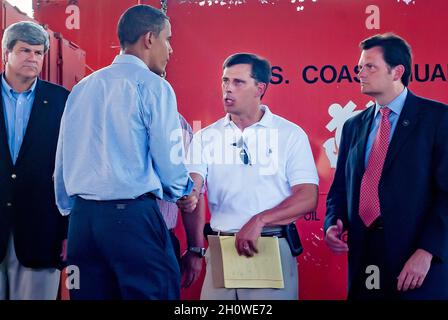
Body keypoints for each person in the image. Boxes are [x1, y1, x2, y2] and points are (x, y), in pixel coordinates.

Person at [54, 5, 198, 300]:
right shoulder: (155, 87)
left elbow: (61, 165)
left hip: (83, 223)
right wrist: (185, 191)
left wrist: (72, 211)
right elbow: (170, 167)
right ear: (149, 39)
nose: (169, 49)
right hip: (132, 221)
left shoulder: (82, 88)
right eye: (167, 39)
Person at [179, 53, 319, 300]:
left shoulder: (289, 134)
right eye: (224, 81)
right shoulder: (206, 137)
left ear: (260, 88)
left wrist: (260, 220)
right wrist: (190, 195)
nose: (227, 89)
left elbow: (308, 196)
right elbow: (195, 182)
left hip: (269, 247)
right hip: (222, 250)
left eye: (237, 82)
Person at [324, 33, 448, 300]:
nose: (360, 73)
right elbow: (340, 189)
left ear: (397, 72)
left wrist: (428, 250)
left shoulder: (437, 119)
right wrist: (333, 223)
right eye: (360, 67)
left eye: (370, 66)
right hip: (365, 256)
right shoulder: (353, 125)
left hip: (417, 261)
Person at [0, 21, 69, 300]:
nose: (32, 58)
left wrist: (67, 230)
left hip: (42, 233)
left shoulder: (61, 101)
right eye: (25, 50)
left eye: (38, 52)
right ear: (6, 53)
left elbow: (69, 169)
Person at [157, 112, 205, 289]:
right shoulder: (95, 108)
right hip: (101, 234)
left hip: (159, 239)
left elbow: (193, 191)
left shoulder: (176, 123)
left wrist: (195, 249)